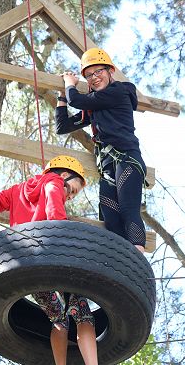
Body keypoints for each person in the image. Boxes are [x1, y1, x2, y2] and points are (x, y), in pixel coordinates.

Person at [0, 155, 112, 365]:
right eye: (72, 189)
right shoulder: (54, 184)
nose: (69, 195)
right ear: (63, 175)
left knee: (59, 318)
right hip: (51, 257)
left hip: (26, 268)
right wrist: (64, 234)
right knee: (82, 314)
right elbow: (54, 213)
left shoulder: (16, 190)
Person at [55, 48, 147, 254]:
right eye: (89, 75)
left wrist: (70, 84)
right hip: (108, 168)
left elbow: (77, 100)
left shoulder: (119, 91)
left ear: (109, 71)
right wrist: (62, 96)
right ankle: (118, 261)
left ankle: (137, 258)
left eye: (99, 72)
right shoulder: (96, 107)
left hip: (127, 159)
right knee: (109, 216)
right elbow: (63, 127)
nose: (95, 78)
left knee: (128, 209)